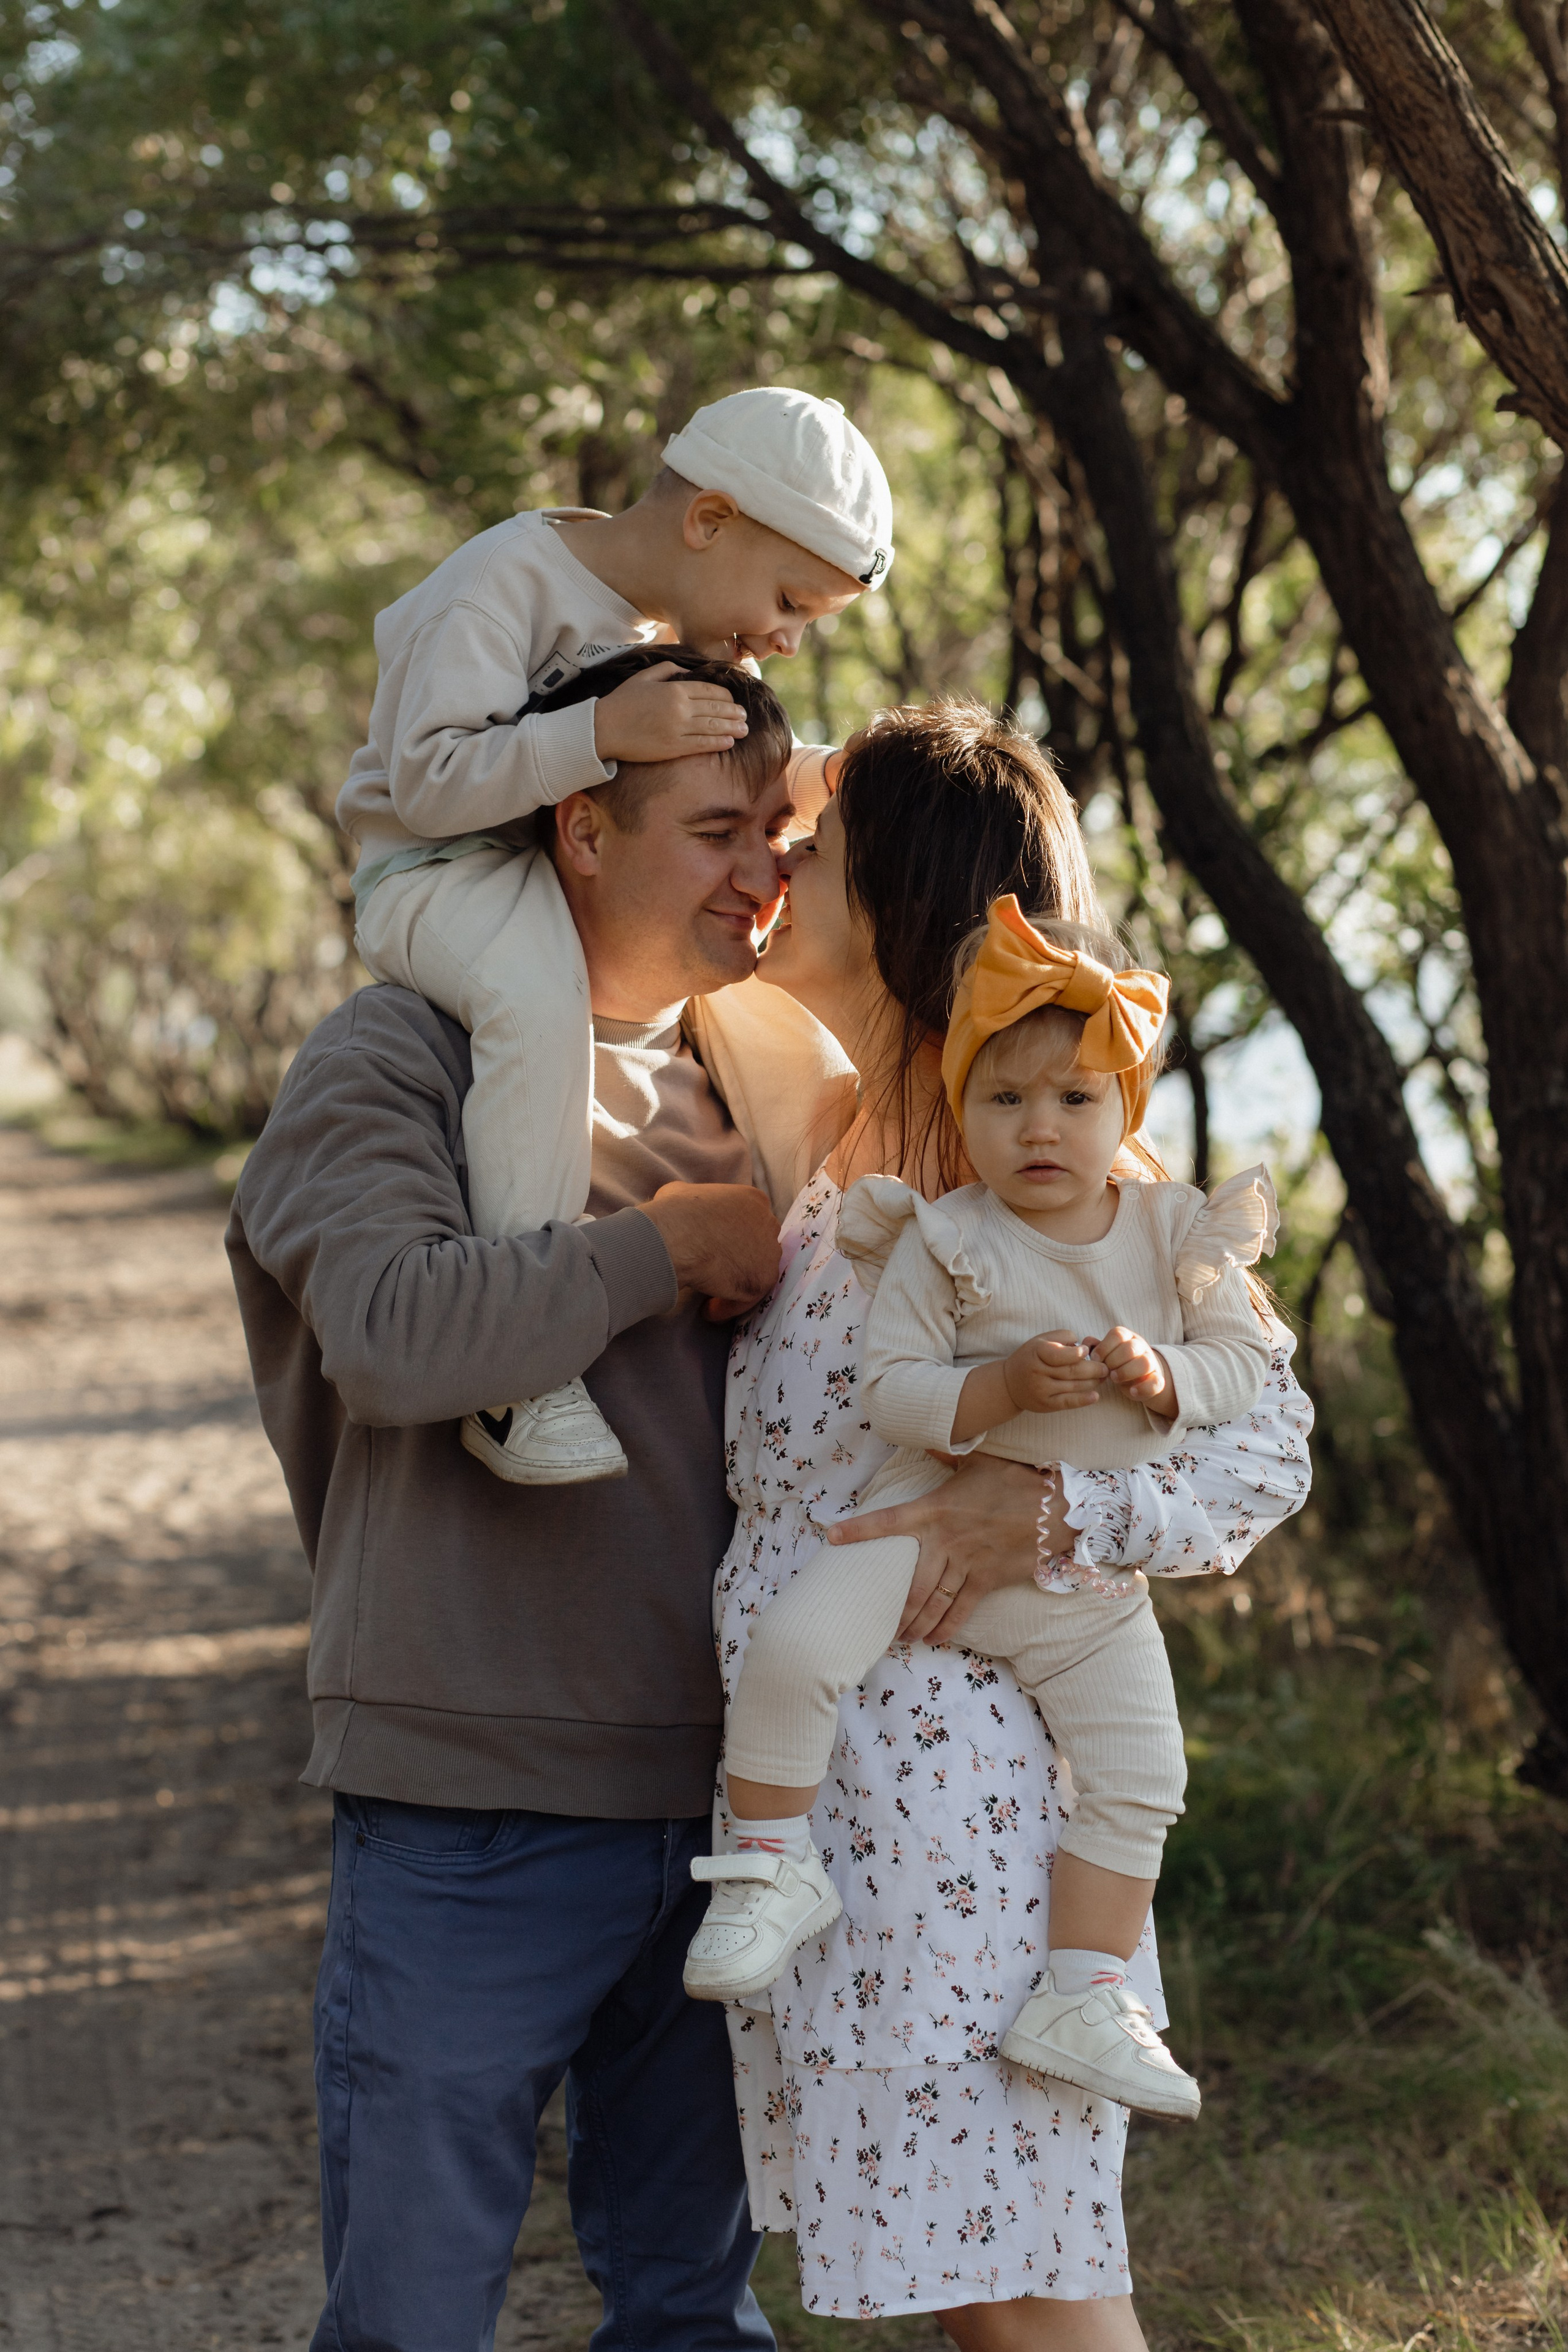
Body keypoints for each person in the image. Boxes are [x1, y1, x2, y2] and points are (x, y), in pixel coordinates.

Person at [228, 654, 840, 2352]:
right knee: (413, 2319)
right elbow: (392, 1334)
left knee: (693, 2312)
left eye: (775, 831)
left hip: (731, 1813)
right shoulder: (396, 1055)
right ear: (580, 826)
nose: (759, 870)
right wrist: (662, 1250)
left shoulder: (762, 1073)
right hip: (471, 1803)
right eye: (714, 829)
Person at [702, 699, 1314, 2335]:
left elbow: (1267, 1451)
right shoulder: (833, 1142)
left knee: (1033, 2305)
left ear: (900, 897)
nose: (776, 860)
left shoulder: (1072, 1189)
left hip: (962, 1830)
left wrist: (1046, 1512)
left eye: (815, 843)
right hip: (835, 1823)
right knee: (974, 2300)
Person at [687, 900, 1280, 2128]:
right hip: (923, 1526)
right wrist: (999, 1388)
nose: (1039, 1127)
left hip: (1081, 1590)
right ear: (961, 1103)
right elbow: (892, 1391)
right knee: (796, 1649)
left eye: (1073, 1097)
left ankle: (1083, 1991)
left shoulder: (1174, 1231)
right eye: (1004, 1099)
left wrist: (1167, 1376)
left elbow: (1242, 1373)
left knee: (1142, 1775)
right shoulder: (946, 1236)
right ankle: (768, 1865)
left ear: (1126, 1105)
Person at [342, 385, 892, 1486]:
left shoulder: (675, 625)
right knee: (535, 1003)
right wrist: (595, 729)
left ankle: (844, 1269)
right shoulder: (501, 586)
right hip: (438, 871)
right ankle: (518, 1380)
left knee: (772, 1028)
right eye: (789, 601)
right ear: (709, 521)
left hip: (544, 869)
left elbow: (709, 775)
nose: (787, 639)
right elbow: (428, 781)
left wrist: (843, 777)